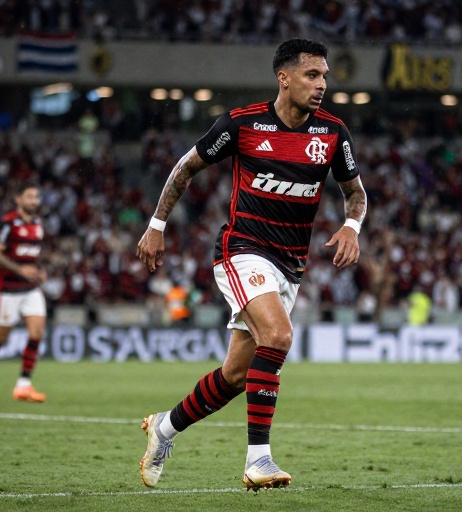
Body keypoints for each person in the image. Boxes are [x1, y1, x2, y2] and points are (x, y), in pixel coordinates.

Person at [135, 38, 367, 491]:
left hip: (290, 264)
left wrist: (351, 227)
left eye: (324, 76)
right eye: (312, 75)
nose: (322, 84)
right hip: (242, 250)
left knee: (237, 375)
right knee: (278, 336)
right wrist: (157, 224)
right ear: (284, 78)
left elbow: (355, 192)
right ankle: (258, 460)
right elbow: (185, 168)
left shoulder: (333, 133)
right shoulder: (242, 124)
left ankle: (164, 427)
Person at [0, 182, 48, 403]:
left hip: (30, 289)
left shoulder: (38, 224)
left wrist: (40, 271)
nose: (34, 201)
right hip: (8, 290)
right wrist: (19, 269)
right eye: (29, 196)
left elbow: (33, 254)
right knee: (1, 337)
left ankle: (23, 385)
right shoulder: (8, 222)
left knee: (37, 333)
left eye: (36, 197)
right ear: (18, 199)